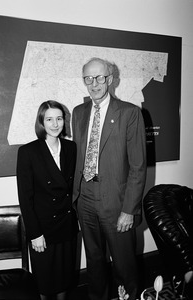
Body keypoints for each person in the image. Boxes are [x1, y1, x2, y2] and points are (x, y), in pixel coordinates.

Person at [72, 58, 147, 300]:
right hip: (85, 199)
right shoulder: (78, 112)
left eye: (100, 77)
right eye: (88, 78)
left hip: (116, 202)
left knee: (124, 264)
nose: (94, 84)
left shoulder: (129, 113)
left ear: (110, 79)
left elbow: (138, 166)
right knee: (94, 261)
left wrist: (129, 210)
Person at [17, 100, 79, 300]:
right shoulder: (28, 152)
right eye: (49, 119)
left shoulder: (71, 147)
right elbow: (25, 198)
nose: (55, 124)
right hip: (43, 229)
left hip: (66, 225)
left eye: (59, 118)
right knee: (45, 282)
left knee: (64, 278)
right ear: (41, 122)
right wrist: (35, 234)